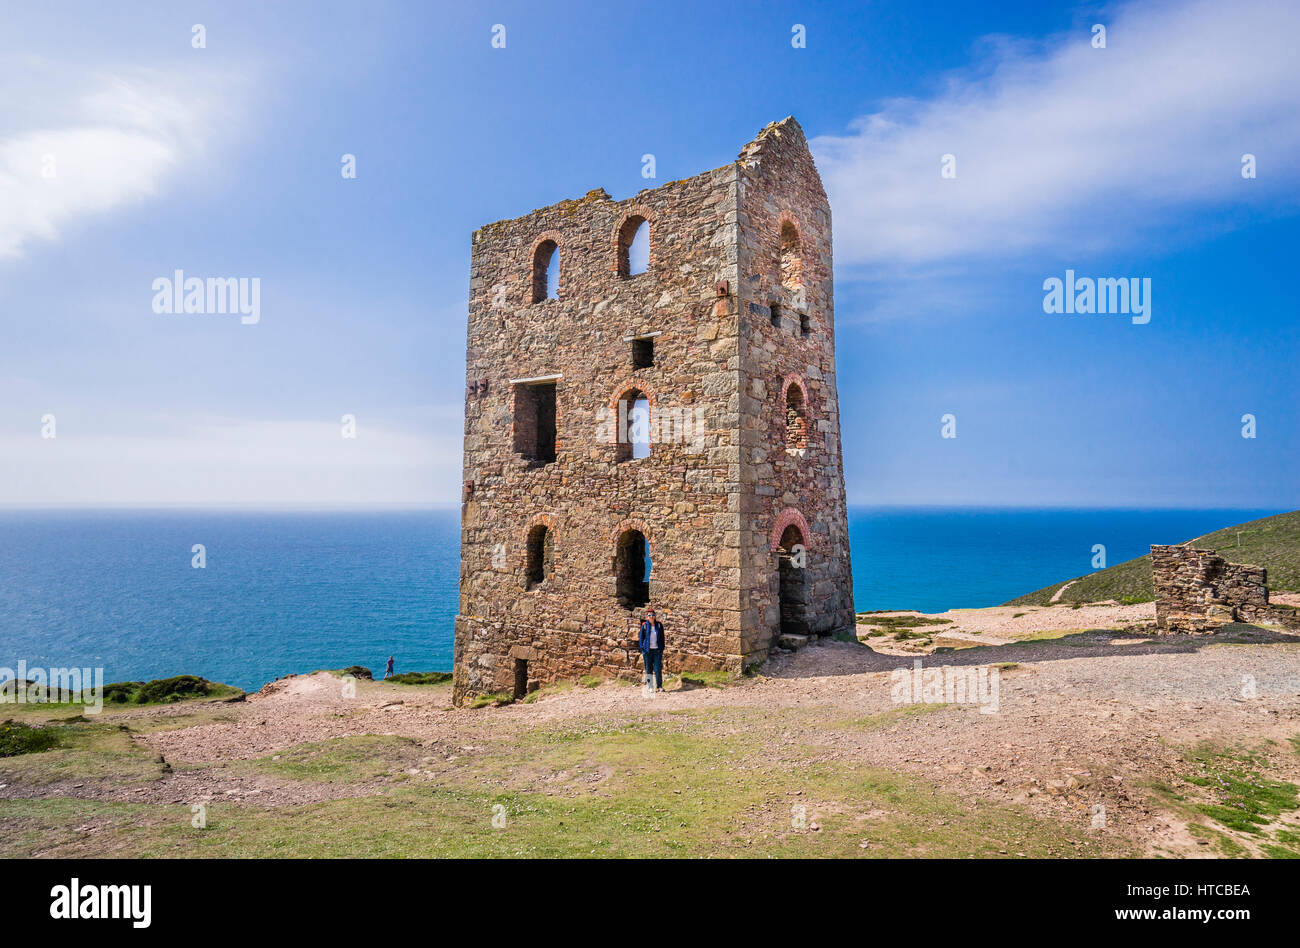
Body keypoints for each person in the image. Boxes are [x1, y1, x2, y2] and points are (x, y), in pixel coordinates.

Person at [638, 608, 665, 694]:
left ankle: (659, 686)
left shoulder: (659, 625)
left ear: (655, 616)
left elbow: (662, 638)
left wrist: (662, 648)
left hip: (657, 651)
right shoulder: (644, 625)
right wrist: (643, 648)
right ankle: (650, 687)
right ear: (647, 616)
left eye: (653, 615)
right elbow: (641, 638)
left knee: (657, 669)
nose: (651, 617)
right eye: (649, 615)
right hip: (647, 651)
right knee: (648, 669)